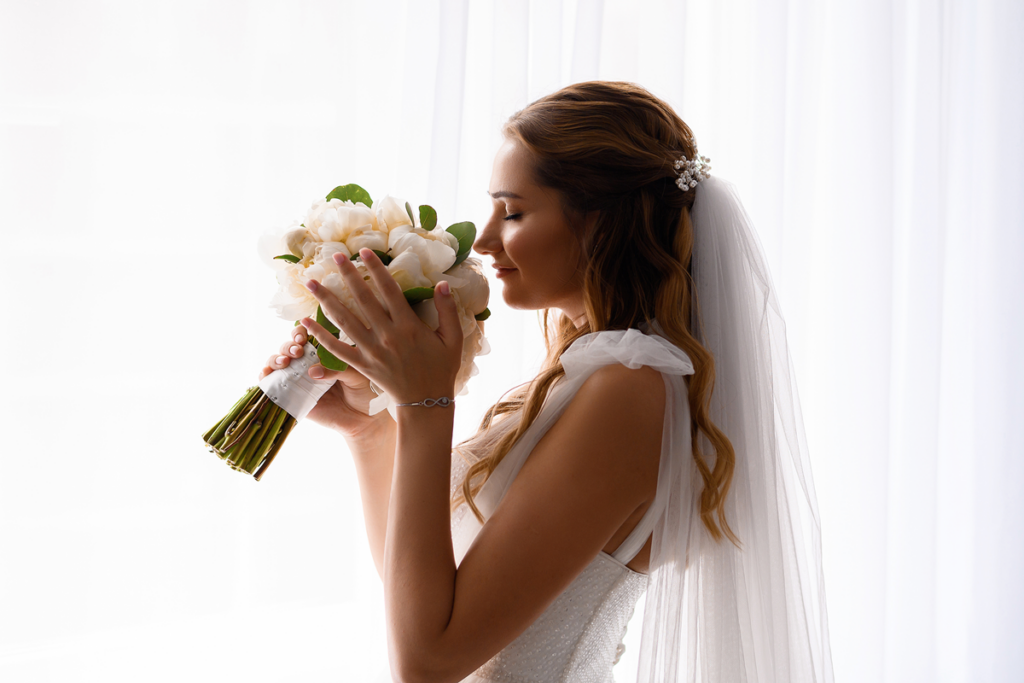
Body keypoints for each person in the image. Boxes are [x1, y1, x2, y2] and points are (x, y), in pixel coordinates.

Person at [259, 82, 834, 683]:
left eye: (512, 212)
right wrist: (370, 431)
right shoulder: (588, 375)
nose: (480, 241)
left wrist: (427, 407)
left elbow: (427, 662)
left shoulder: (631, 389)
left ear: (601, 223)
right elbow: (423, 593)